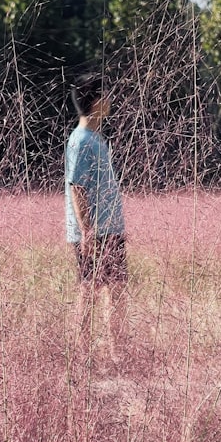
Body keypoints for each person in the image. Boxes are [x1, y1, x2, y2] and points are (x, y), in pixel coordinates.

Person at [65, 73, 128, 367]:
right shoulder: (80, 141)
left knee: (116, 290)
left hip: (111, 230)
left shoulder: (96, 139)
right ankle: (82, 355)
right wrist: (88, 231)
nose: (111, 100)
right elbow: (76, 187)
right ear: (96, 101)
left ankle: (117, 354)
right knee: (89, 290)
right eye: (106, 95)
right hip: (94, 233)